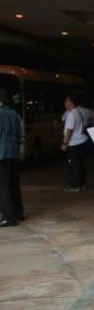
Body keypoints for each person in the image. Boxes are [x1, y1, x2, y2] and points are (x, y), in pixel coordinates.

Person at [0, 89, 24, 227]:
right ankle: (18, 212)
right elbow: (20, 133)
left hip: (2, 154)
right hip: (14, 152)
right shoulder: (15, 114)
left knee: (3, 186)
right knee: (14, 183)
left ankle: (8, 217)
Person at [62, 92, 90, 192]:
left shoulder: (71, 114)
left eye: (66, 101)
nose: (65, 103)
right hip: (81, 141)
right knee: (80, 164)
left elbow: (69, 130)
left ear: (71, 102)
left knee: (74, 165)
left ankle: (74, 185)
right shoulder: (78, 113)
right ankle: (82, 184)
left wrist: (65, 143)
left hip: (74, 143)